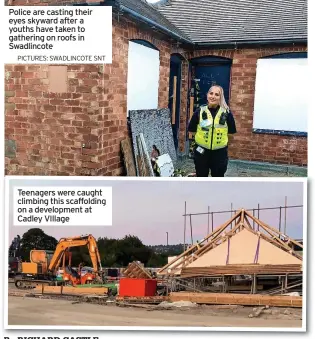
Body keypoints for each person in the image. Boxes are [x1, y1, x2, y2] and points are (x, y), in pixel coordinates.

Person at [188, 85, 237, 177]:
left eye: (217, 94)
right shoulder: (199, 111)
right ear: (207, 95)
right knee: (201, 178)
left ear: (220, 97)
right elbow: (192, 131)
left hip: (219, 153)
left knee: (217, 180)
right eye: (211, 93)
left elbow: (231, 134)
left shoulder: (227, 114)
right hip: (201, 152)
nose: (213, 96)